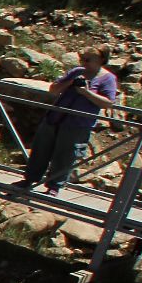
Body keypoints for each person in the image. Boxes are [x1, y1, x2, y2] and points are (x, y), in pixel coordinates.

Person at [15, 48, 122, 195]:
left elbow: (108, 103)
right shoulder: (77, 71)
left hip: (77, 124)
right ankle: (29, 179)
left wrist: (86, 92)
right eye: (82, 59)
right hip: (55, 118)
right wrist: (70, 82)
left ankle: (54, 186)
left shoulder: (108, 78)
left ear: (101, 60)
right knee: (40, 150)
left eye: (88, 60)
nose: (84, 63)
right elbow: (53, 90)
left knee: (65, 155)